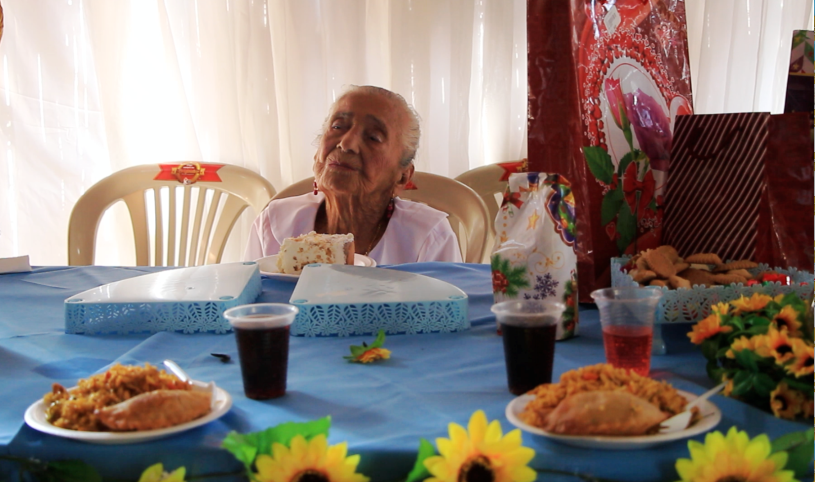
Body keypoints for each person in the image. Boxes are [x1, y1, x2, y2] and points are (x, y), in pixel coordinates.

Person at [243, 85, 462, 264]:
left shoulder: (429, 238)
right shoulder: (274, 224)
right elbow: (248, 301)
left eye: (373, 137)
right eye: (338, 126)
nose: (346, 143)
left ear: (402, 177)